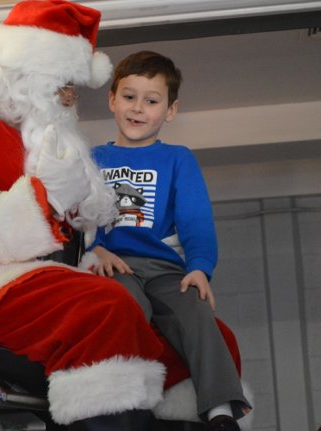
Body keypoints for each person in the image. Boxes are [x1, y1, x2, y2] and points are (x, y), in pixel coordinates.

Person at [0, 2, 243, 430]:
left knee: (212, 337)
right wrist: (41, 203)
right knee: (103, 306)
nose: (69, 97)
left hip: (20, 277)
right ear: (23, 70)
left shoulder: (22, 135)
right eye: (62, 83)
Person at [84, 50, 252, 431]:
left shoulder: (178, 159)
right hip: (113, 263)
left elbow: (196, 219)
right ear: (112, 100)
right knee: (126, 306)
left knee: (196, 311)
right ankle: (124, 404)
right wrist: (95, 249)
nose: (138, 108)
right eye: (129, 97)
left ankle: (221, 410)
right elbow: (79, 216)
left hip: (163, 268)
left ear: (170, 111)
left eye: (152, 100)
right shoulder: (92, 157)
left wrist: (199, 268)